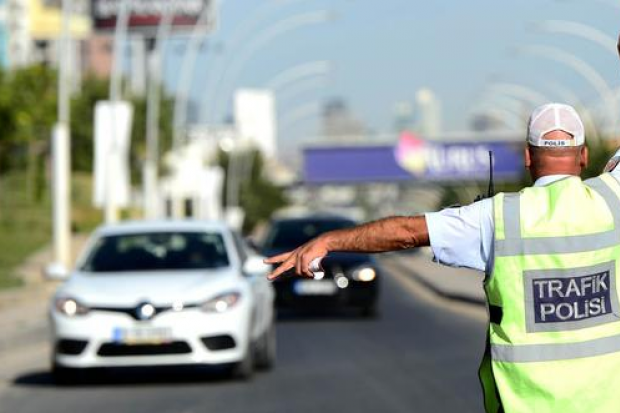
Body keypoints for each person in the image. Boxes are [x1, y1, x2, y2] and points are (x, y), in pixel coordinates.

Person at [266, 103, 620, 413]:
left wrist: (328, 241)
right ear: (585, 155)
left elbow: (406, 232)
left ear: (528, 157)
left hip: (525, 404)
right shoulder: (612, 198)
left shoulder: (495, 218)